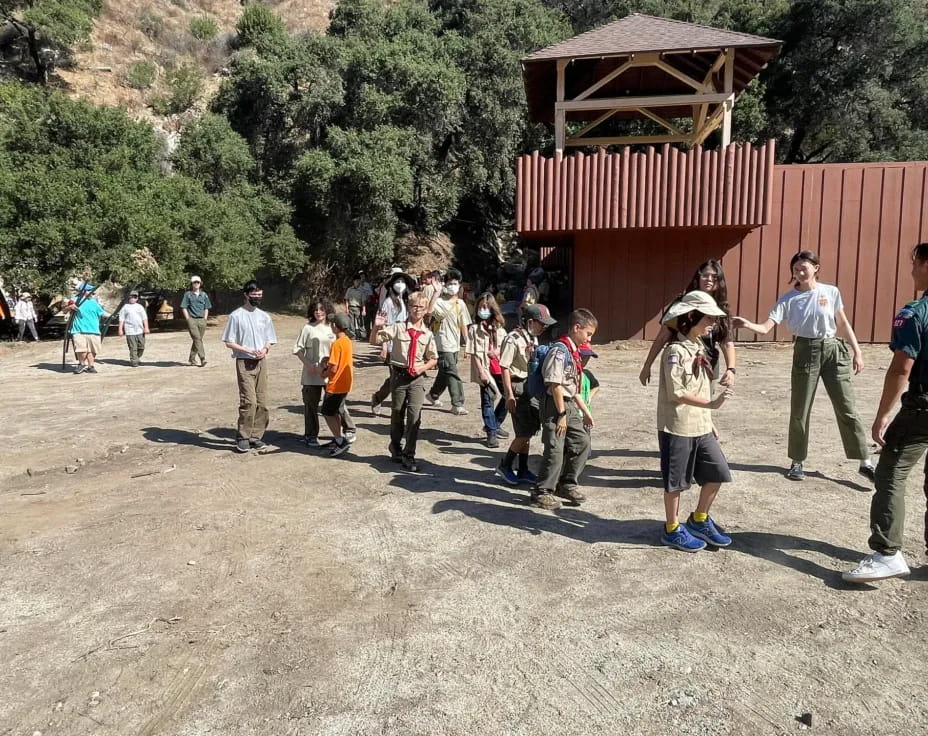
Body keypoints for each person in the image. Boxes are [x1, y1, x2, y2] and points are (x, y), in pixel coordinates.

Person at [734, 250, 875, 482]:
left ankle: (865, 462)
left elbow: (843, 323)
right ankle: (797, 461)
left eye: (804, 267)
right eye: (796, 269)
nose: (799, 272)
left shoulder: (831, 292)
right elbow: (766, 327)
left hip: (833, 350)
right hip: (805, 351)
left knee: (847, 407)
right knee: (800, 410)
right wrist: (748, 324)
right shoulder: (788, 299)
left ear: (816, 267)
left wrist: (857, 352)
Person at [843, 243, 928, 582]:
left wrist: (882, 416)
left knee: (891, 473)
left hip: (922, 408)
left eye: (914, 264)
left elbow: (900, 370)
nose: (912, 270)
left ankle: (887, 552)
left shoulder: (915, 313)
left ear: (924, 263)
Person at [655, 291, 735, 551]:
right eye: (708, 317)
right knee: (676, 482)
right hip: (678, 425)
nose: (713, 322)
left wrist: (708, 416)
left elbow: (701, 387)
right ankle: (672, 529)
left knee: (718, 472)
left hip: (700, 425)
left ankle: (699, 519)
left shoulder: (700, 347)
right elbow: (676, 392)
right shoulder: (675, 352)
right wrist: (711, 405)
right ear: (691, 316)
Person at [531, 309, 597, 510]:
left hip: (568, 404)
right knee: (555, 449)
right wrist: (561, 415)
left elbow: (573, 388)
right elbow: (555, 385)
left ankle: (566, 483)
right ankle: (541, 491)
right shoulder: (559, 351)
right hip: (554, 405)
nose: (589, 338)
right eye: (588, 334)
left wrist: (585, 413)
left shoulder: (573, 352)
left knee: (582, 442)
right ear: (576, 328)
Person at [639, 260, 736, 388]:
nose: (709, 279)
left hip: (707, 366)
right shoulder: (681, 306)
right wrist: (647, 366)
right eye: (705, 275)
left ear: (720, 281)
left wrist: (731, 369)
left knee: (703, 405)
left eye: (714, 277)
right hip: (681, 363)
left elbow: (726, 341)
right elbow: (663, 337)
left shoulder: (721, 309)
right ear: (698, 277)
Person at [371, 291, 438, 473]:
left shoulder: (427, 334)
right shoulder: (398, 327)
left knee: (414, 417)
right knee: (397, 414)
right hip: (399, 376)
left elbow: (433, 359)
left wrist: (422, 368)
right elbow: (375, 340)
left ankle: (409, 454)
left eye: (421, 307)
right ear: (408, 308)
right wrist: (377, 327)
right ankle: (395, 446)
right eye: (414, 306)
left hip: (417, 378)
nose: (417, 310)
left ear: (425, 311)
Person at [495, 304, 558, 485]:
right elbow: (504, 367)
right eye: (541, 323)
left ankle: (522, 468)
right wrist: (509, 395)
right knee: (524, 432)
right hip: (517, 386)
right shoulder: (513, 339)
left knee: (530, 429)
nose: (544, 327)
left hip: (529, 385)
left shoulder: (531, 338)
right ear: (530, 322)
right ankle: (506, 465)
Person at [221, 280, 277, 453]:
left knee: (262, 402)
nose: (257, 298)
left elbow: (270, 339)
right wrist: (247, 350)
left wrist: (265, 349)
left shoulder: (264, 316)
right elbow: (229, 342)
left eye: (260, 295)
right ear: (246, 295)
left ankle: (256, 436)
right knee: (249, 401)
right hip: (244, 362)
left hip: (261, 361)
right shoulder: (236, 316)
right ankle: (243, 436)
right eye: (254, 295)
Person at [293, 299, 356, 447]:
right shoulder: (308, 328)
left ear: (327, 311)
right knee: (310, 406)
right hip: (312, 374)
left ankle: (349, 429)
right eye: (316, 309)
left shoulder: (334, 328)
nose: (318, 312)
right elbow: (298, 349)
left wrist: (327, 365)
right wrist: (309, 365)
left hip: (329, 374)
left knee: (337, 404)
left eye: (322, 309)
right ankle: (311, 435)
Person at [466, 293, 510, 447]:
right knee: (487, 400)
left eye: (485, 308)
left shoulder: (500, 328)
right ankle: (491, 432)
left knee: (508, 395)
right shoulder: (474, 329)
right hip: (484, 368)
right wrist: (481, 371)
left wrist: (497, 352)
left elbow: (505, 347)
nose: (482, 311)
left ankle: (495, 423)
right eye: (480, 308)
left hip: (499, 367)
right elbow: (473, 353)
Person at [426, 268, 472, 415]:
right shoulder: (439, 301)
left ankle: (433, 394)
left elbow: (463, 323)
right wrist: (436, 293)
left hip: (454, 344)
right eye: (450, 283)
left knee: (445, 372)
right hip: (441, 342)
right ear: (445, 285)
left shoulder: (461, 304)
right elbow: (429, 311)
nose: (453, 286)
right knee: (452, 372)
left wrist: (468, 342)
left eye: (456, 283)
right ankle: (457, 403)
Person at [370, 271, 415, 416]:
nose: (400, 285)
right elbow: (383, 325)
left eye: (403, 282)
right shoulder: (388, 303)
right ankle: (383, 400)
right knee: (396, 377)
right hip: (391, 345)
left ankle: (381, 397)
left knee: (401, 376)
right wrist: (384, 347)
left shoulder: (407, 301)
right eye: (397, 282)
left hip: (406, 344)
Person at [320, 313, 355, 457]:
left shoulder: (336, 344)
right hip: (345, 383)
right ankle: (337, 438)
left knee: (327, 412)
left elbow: (333, 367)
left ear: (335, 326)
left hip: (335, 385)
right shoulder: (347, 341)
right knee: (334, 411)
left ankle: (340, 440)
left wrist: (323, 373)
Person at [61, 284, 105, 374]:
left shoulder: (94, 302)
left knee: (92, 350)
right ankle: (81, 364)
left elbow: (102, 313)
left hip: (94, 329)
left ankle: (91, 366)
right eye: (89, 291)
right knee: (81, 349)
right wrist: (70, 307)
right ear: (83, 291)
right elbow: (64, 310)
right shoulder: (74, 300)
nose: (91, 293)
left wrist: (112, 316)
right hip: (78, 330)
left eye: (91, 291)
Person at [181, 276, 212, 367]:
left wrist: (205, 318)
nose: (196, 284)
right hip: (192, 320)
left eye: (198, 282)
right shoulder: (188, 294)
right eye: (194, 282)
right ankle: (203, 358)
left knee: (197, 340)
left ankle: (192, 358)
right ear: (192, 284)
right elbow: (184, 307)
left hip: (202, 320)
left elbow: (207, 307)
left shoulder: (204, 295)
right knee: (197, 339)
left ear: (200, 283)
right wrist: (188, 319)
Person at [117, 290, 150, 366]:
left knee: (141, 346)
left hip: (140, 330)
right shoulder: (125, 307)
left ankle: (137, 357)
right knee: (133, 347)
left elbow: (144, 318)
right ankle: (134, 360)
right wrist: (120, 330)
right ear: (128, 298)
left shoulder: (140, 307)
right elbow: (121, 319)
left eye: (134, 297)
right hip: (130, 330)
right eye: (131, 297)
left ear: (137, 298)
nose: (132, 298)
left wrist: (146, 327)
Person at [579, 342, 600, 456]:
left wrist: (589, 397)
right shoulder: (570, 372)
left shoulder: (587, 373)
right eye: (583, 356)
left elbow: (596, 386)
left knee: (585, 437)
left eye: (587, 357)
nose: (585, 360)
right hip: (574, 413)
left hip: (585, 412)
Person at [344, 273, 367, 340]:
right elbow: (346, 299)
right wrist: (347, 309)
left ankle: (363, 336)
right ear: (353, 281)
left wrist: (364, 310)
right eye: (355, 280)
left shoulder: (362, 290)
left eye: (358, 280)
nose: (357, 282)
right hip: (351, 307)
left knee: (360, 322)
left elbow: (363, 302)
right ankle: (353, 335)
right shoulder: (349, 289)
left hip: (358, 308)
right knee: (351, 323)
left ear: (360, 281)